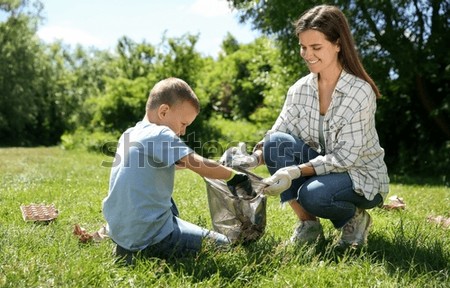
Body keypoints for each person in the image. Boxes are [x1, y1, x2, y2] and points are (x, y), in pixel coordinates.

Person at [231, 5, 389, 248]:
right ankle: (309, 226)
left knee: (313, 195)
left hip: (359, 174)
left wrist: (294, 172)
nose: (307, 54)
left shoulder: (359, 92)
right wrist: (253, 160)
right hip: (323, 167)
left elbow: (345, 158)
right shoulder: (299, 89)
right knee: (275, 142)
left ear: (338, 44)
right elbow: (277, 134)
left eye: (316, 47)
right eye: (303, 47)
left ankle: (354, 218)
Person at [102, 77, 252, 264]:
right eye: (183, 124)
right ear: (164, 111)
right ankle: (151, 248)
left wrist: (214, 165)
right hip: (150, 236)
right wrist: (232, 176)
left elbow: (177, 163)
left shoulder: (130, 133)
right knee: (226, 246)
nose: (182, 132)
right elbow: (195, 163)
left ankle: (129, 249)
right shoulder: (160, 133)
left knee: (165, 199)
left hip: (122, 232)